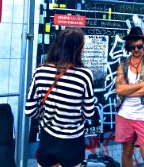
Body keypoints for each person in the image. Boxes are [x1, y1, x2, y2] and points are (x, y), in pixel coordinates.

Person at [25, 27, 95, 167]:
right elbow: (88, 113)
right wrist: (72, 116)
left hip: (47, 138)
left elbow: (30, 110)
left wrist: (47, 115)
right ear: (77, 49)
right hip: (72, 141)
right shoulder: (84, 75)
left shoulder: (40, 72)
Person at [115, 26, 144, 167]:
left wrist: (129, 91)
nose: (136, 50)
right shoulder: (123, 64)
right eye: (132, 47)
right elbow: (119, 90)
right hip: (125, 114)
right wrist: (142, 85)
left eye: (139, 46)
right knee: (127, 153)